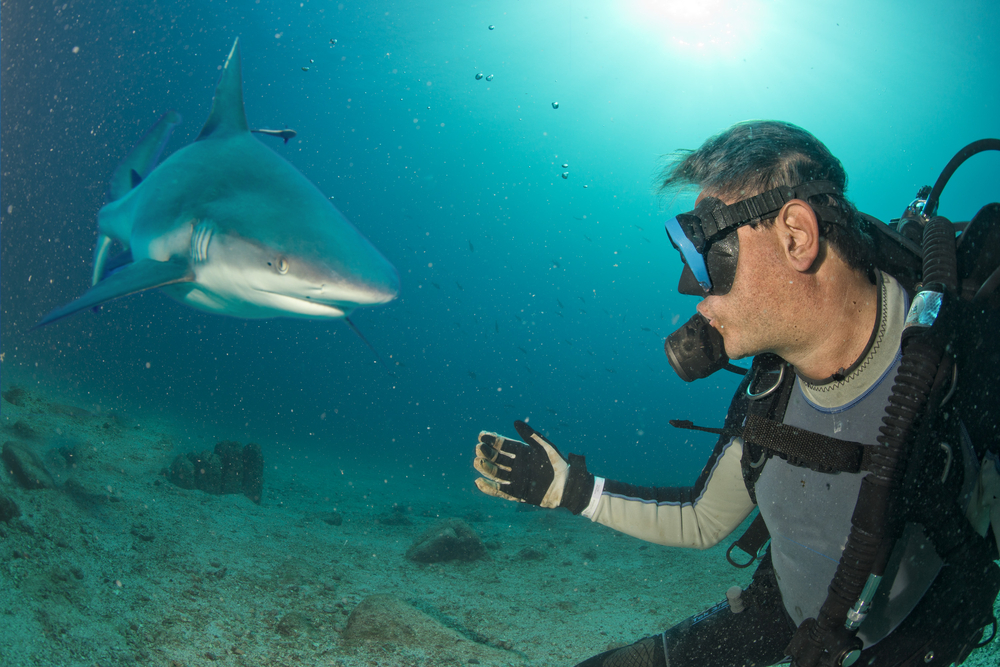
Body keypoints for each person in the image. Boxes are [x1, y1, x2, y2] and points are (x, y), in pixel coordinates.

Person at [473, 121, 1000, 667]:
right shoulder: (767, 389)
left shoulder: (966, 363)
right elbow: (704, 519)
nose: (689, 286)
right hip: (786, 612)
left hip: (911, 643)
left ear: (796, 235)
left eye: (703, 248)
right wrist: (568, 489)